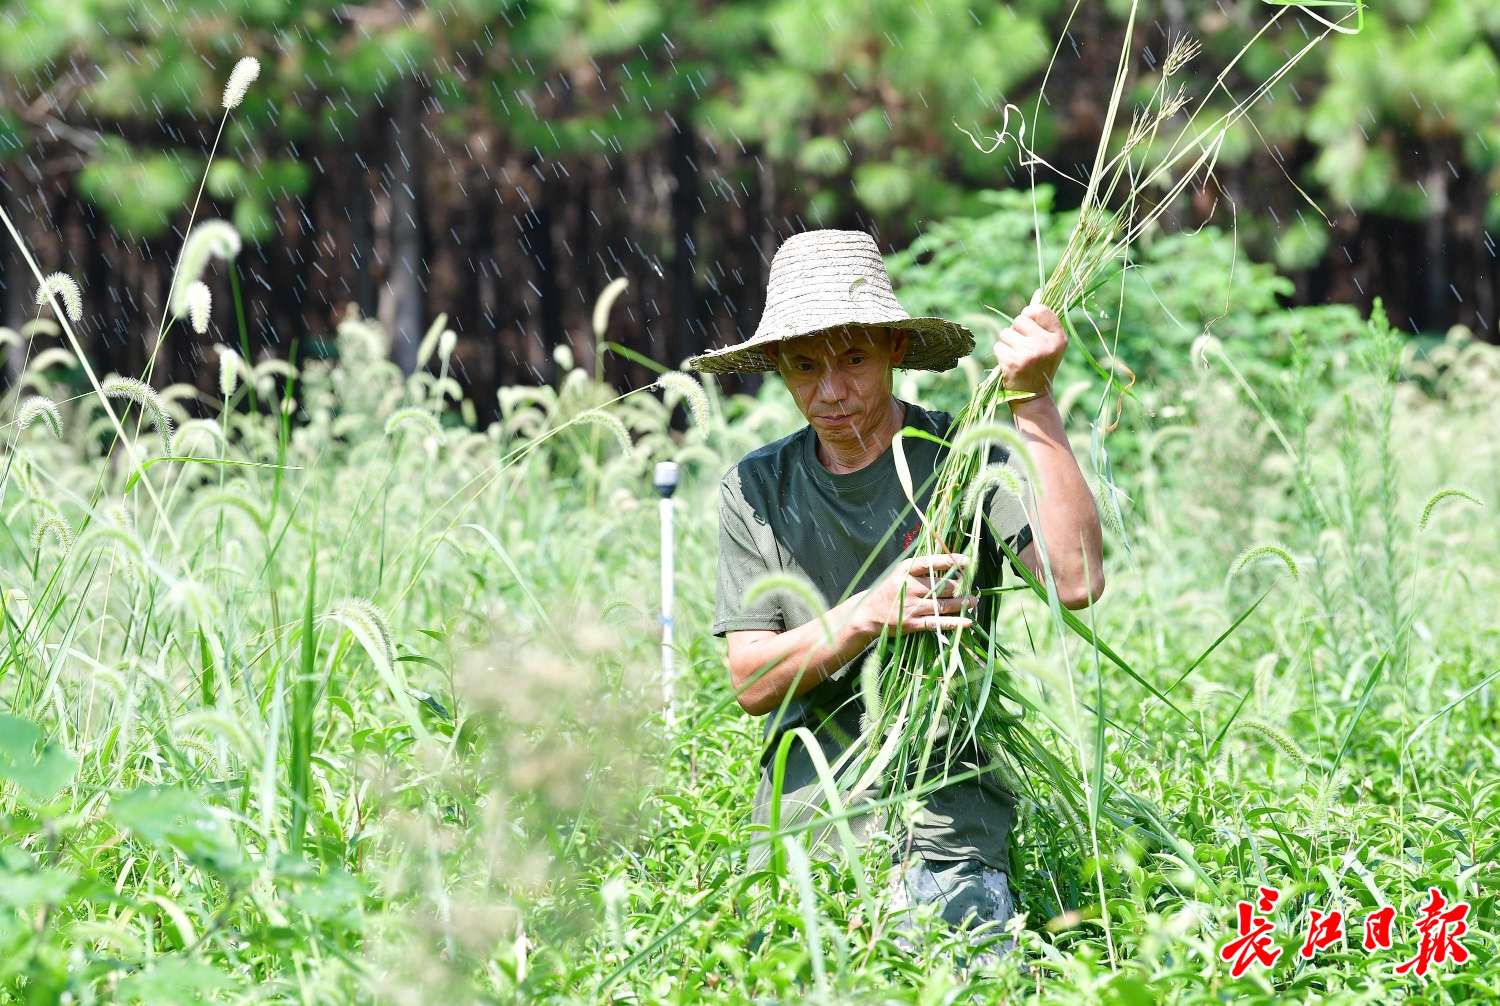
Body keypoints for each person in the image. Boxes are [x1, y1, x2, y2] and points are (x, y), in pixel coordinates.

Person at [685, 228, 1104, 950]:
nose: (831, 390)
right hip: (808, 811)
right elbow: (752, 681)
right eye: (804, 365)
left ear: (895, 349)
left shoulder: (963, 456)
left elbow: (1076, 580)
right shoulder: (756, 488)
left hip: (941, 812)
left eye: (853, 357)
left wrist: (1032, 399)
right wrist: (870, 614)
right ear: (779, 369)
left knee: (956, 971)